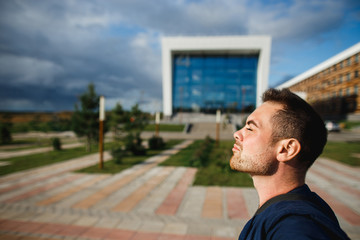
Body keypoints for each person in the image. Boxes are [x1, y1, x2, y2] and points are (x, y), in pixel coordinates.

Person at [230, 88, 350, 240]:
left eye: (250, 128)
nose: (237, 134)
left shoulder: (296, 225)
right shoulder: (295, 208)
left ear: (286, 149)